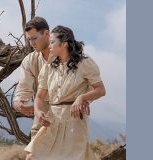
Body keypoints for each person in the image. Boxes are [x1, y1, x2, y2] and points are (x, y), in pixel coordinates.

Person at [24, 25, 106, 160]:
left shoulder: (85, 63)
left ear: (64, 44)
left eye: (52, 42)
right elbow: (39, 95)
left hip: (74, 121)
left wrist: (82, 98)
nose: (49, 45)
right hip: (52, 120)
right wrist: (38, 111)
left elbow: (100, 89)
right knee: (33, 155)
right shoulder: (48, 68)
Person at [13, 17, 92, 140]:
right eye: (29, 39)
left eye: (34, 38)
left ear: (46, 34)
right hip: (43, 111)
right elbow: (23, 88)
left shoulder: (66, 53)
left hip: (70, 111)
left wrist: (84, 100)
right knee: (36, 151)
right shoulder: (29, 61)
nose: (31, 43)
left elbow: (90, 83)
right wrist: (18, 103)